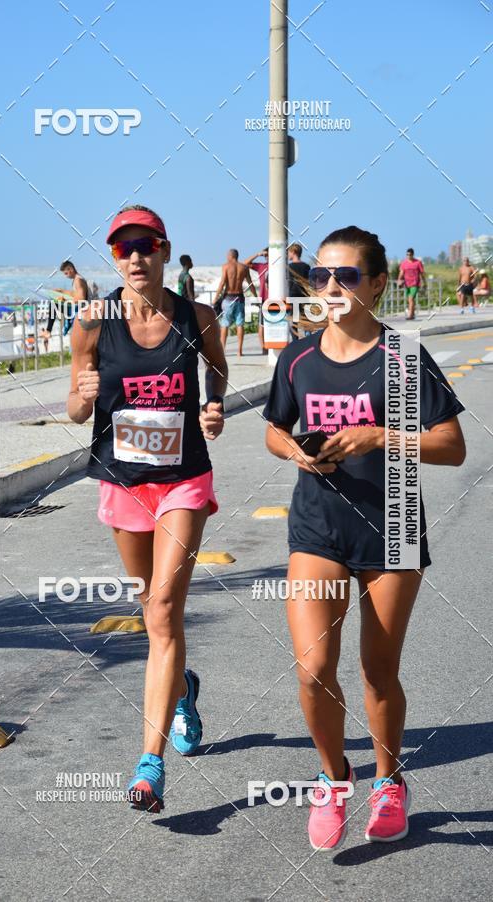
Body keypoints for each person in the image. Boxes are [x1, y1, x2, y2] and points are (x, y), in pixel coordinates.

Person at [263, 225, 465, 851]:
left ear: (377, 283)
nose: (330, 287)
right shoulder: (296, 357)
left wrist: (381, 436)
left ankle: (388, 780)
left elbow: (451, 447)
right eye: (320, 276)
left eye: (346, 276)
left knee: (378, 672)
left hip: (394, 525)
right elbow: (273, 429)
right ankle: (332, 779)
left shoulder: (403, 358)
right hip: (317, 527)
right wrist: (296, 451)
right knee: (312, 668)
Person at [67, 204, 228, 814]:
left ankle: (148, 764)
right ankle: (182, 686)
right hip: (122, 481)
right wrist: (81, 398)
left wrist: (213, 408)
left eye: (146, 245)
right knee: (150, 608)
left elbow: (217, 370)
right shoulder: (91, 322)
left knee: (163, 608)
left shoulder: (198, 317)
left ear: (164, 249)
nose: (135, 256)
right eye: (122, 248)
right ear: (114, 257)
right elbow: (77, 409)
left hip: (184, 478)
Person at [213, 248, 257, 356]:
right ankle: (239, 351)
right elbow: (250, 284)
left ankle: (222, 350)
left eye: (227, 255)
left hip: (228, 298)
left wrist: (215, 297)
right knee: (240, 324)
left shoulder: (226, 266)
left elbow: (222, 283)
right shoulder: (244, 267)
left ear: (230, 256)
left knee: (225, 324)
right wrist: (256, 296)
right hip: (240, 298)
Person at [41, 260, 90, 349]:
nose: (66, 276)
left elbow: (82, 298)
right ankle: (49, 330)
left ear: (71, 269)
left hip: (79, 310)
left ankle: (48, 331)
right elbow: (75, 294)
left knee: (53, 304)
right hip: (77, 308)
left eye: (66, 273)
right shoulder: (77, 279)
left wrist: (64, 301)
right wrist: (62, 291)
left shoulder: (78, 280)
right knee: (54, 303)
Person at [243, 248, 269, 353]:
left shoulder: (278, 265)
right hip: (263, 298)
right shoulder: (261, 266)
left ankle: (272, 344)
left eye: (269, 255)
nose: (267, 257)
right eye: (266, 255)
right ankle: (263, 348)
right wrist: (258, 254)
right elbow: (245, 263)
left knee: (276, 323)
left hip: (276, 299)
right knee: (262, 324)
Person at [397, 248, 426, 320]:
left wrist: (424, 282)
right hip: (407, 284)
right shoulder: (404, 263)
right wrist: (399, 280)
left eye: (410, 255)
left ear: (413, 255)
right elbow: (401, 273)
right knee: (410, 300)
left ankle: (410, 315)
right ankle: (412, 314)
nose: (408, 256)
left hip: (415, 284)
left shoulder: (418, 263)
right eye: (407, 255)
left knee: (411, 299)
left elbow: (422, 274)